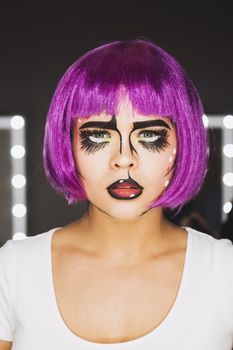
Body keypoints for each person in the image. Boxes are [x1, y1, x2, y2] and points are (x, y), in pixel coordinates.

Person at [0, 38, 233, 350]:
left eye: (150, 135)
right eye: (98, 135)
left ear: (184, 142)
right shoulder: (13, 271)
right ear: (67, 143)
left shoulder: (224, 272)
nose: (124, 158)